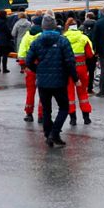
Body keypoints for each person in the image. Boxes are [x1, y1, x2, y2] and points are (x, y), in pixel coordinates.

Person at [25, 17, 74, 148]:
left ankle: (48, 134)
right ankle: (55, 133)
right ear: (55, 26)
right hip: (59, 80)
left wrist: (38, 71)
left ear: (43, 27)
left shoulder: (37, 42)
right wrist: (75, 78)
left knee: (47, 110)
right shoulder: (62, 41)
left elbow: (28, 61)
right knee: (64, 108)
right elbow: (69, 61)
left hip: (43, 82)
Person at [62, 17, 95, 125]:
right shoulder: (84, 38)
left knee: (70, 95)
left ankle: (73, 119)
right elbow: (90, 55)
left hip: (67, 70)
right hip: (81, 68)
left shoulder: (63, 38)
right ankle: (86, 118)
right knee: (83, 93)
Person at [16, 21, 39, 121]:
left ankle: (29, 113)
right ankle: (42, 115)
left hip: (29, 67)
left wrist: (23, 65)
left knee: (30, 91)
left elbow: (21, 52)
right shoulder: (42, 36)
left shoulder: (27, 36)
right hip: (41, 67)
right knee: (43, 92)